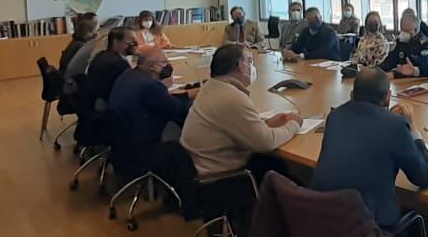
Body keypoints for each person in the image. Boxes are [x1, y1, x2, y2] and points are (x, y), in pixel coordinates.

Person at [310, 68, 428, 230]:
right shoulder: (395, 125)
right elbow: (424, 177)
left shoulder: (335, 116)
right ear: (388, 97)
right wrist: (412, 128)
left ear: (352, 94)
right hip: (370, 228)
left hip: (324, 220)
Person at [180, 44, 301, 179]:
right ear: (240, 65)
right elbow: (266, 142)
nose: (252, 67)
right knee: (280, 169)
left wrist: (267, 123)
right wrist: (293, 124)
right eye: (249, 62)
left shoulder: (211, 86)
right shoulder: (231, 97)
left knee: (274, 163)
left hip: (200, 165)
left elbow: (237, 123)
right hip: (218, 178)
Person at [107, 49, 198, 213]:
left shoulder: (129, 75)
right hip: (144, 146)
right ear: (152, 67)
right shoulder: (150, 86)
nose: (168, 65)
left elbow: (162, 101)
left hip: (123, 143)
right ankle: (187, 201)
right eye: (164, 62)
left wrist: (186, 94)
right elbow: (178, 110)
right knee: (183, 143)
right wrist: (195, 98)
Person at [83, 26, 137, 108]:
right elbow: (131, 90)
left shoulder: (101, 55)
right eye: (132, 40)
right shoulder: (119, 64)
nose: (135, 43)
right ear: (116, 42)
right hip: (108, 109)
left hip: (92, 106)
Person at [379, 8, 428, 78]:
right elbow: (391, 60)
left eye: (407, 31)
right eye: (402, 30)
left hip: (418, 81)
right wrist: (376, 69)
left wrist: (396, 74)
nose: (403, 34)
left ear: (416, 30)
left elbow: (423, 67)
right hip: (401, 80)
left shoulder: (426, 45)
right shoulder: (401, 42)